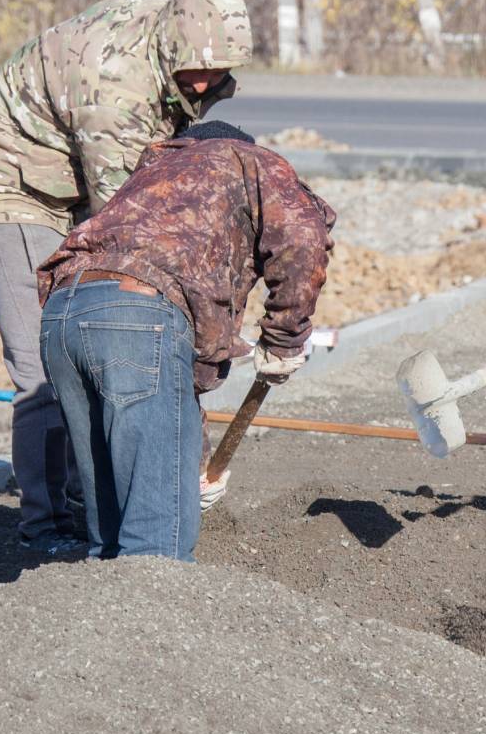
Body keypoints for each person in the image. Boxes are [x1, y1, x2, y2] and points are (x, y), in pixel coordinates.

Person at [0, 0, 252, 554]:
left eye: (218, 72)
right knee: (47, 358)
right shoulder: (115, 89)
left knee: (101, 340)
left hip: (70, 187)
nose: (205, 84)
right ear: (169, 46)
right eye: (194, 72)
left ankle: (94, 498)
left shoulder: (176, 42)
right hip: (6, 191)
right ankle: (47, 527)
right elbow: (130, 230)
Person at [37, 121, 335, 561]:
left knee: (110, 523)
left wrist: (195, 465)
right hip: (134, 312)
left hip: (62, 314)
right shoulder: (247, 161)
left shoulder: (149, 180)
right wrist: (285, 338)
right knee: (157, 542)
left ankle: (105, 619)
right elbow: (303, 237)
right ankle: (157, 622)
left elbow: (174, 376)